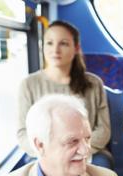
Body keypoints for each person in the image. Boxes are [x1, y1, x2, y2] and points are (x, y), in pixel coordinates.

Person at [17, 20, 112, 168]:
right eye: (49, 43)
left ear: (76, 48)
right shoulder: (29, 85)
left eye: (63, 43)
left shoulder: (94, 84)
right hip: (44, 154)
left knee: (102, 167)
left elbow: (103, 130)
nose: (55, 49)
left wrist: (77, 151)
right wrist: (54, 154)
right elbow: (23, 133)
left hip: (88, 151)